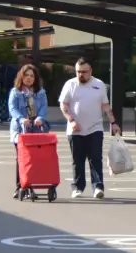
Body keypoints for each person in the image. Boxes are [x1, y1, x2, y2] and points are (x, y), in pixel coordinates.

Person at [58, 57, 120, 199]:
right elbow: (64, 105)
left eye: (84, 72)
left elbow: (105, 106)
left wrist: (113, 123)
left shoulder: (99, 84)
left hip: (95, 128)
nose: (81, 75)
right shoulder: (70, 84)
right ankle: (77, 188)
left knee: (95, 159)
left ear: (91, 71)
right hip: (75, 130)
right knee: (77, 160)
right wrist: (71, 120)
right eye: (78, 72)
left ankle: (98, 187)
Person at [7, 64, 48, 197]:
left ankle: (30, 187)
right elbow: (12, 108)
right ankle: (20, 186)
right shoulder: (16, 92)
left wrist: (40, 118)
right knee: (21, 158)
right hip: (20, 129)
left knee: (33, 159)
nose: (29, 78)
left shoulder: (40, 92)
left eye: (32, 76)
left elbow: (44, 107)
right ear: (21, 76)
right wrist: (21, 119)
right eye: (26, 75)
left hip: (35, 129)